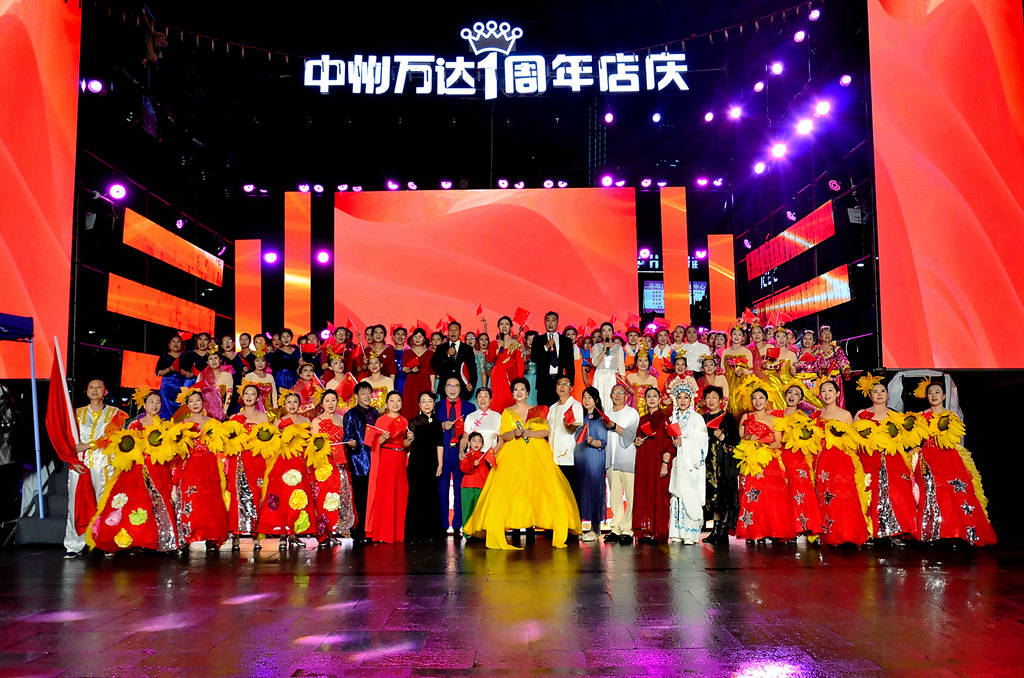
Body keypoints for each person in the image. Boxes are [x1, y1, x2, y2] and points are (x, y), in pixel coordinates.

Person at [462, 378, 582, 549]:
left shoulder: (537, 410)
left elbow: (545, 432)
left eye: (522, 389)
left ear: (527, 393)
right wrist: (514, 433)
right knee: (512, 491)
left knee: (539, 489)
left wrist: (529, 433)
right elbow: (503, 436)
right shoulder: (507, 412)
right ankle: (515, 524)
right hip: (512, 454)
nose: (519, 392)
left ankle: (537, 524)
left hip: (536, 454)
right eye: (516, 389)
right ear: (512, 394)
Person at [915, 380, 996, 545]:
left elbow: (957, 438)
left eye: (937, 392)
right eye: (930, 393)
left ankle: (958, 532)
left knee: (956, 491)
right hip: (928, 457)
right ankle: (934, 532)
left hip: (949, 456)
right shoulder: (920, 416)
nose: (934, 396)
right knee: (931, 491)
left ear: (944, 396)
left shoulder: (952, 416)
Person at [64, 379, 127, 558]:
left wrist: (88, 445)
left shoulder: (116, 413)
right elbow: (68, 439)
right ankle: (74, 545)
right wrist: (71, 459)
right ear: (86, 391)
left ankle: (106, 542)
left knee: (105, 504)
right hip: (80, 465)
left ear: (105, 391)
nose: (94, 390)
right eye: (91, 387)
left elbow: (112, 437)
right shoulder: (76, 413)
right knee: (76, 505)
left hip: (105, 465)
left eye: (99, 387)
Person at [854, 379, 920, 542]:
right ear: (870, 395)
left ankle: (896, 531)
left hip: (892, 458)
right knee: (870, 492)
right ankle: (870, 531)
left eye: (882, 391)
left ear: (888, 394)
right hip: (868, 459)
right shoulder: (861, 414)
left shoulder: (895, 415)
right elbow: (853, 439)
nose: (879, 394)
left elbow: (904, 439)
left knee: (897, 492)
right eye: (875, 391)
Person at [733, 388, 797, 543]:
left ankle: (771, 530)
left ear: (767, 401)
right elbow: (740, 437)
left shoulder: (774, 419)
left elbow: (777, 443)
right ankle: (754, 532)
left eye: (761, 398)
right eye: (754, 398)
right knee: (752, 495)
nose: (758, 401)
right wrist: (749, 440)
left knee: (770, 497)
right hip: (751, 461)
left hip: (769, 462)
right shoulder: (746, 417)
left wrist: (760, 444)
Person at [814, 380, 870, 546]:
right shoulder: (817, 414)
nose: (827, 394)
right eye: (824, 391)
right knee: (826, 496)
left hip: (841, 460)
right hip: (822, 459)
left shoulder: (845, 415)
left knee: (843, 496)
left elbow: (851, 440)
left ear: (837, 393)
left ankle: (848, 533)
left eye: (830, 390)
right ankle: (831, 534)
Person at [177, 389, 230, 551]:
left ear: (203, 402)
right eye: (191, 401)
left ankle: (212, 536)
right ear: (187, 405)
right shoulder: (182, 425)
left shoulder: (213, 423)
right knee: (192, 498)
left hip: (209, 464)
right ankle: (189, 535)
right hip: (191, 465)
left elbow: (221, 445)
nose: (195, 404)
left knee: (210, 500)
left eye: (197, 400)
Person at [775, 385, 824, 540]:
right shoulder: (776, 414)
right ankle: (785, 528)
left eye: (796, 394)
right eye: (790, 392)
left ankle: (802, 527)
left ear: (800, 399)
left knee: (800, 491)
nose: (792, 396)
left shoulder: (803, 417)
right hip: (779, 455)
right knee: (782, 491)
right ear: (785, 395)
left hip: (797, 457)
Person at [225, 385, 269, 551]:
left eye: (253, 394)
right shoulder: (234, 417)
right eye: (247, 394)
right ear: (242, 397)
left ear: (257, 398)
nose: (249, 396)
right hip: (238, 460)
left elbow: (267, 441)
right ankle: (236, 534)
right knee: (237, 494)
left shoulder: (263, 418)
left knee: (256, 494)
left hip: (256, 460)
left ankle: (257, 535)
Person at [311, 390, 357, 545]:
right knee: (324, 497)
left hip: (340, 463)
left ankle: (334, 530)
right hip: (324, 465)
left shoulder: (342, 419)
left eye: (333, 400)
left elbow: (347, 439)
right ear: (322, 404)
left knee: (340, 496)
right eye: (327, 400)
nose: (330, 404)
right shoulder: (316, 421)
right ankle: (323, 533)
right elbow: (314, 445)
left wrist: (350, 443)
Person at [667, 379, 710, 545]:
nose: (683, 400)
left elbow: (702, 442)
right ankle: (677, 532)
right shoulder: (672, 418)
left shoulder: (697, 418)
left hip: (692, 464)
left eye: (686, 397)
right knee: (677, 495)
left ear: (691, 399)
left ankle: (690, 534)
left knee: (690, 495)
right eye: (679, 397)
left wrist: (683, 442)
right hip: (678, 463)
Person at [364, 391, 409, 543]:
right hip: (386, 459)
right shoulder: (381, 420)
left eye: (398, 400)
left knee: (400, 495)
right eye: (392, 401)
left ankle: (398, 534)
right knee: (386, 496)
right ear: (387, 404)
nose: (395, 403)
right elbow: (373, 443)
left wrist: (410, 440)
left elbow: (405, 444)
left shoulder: (404, 420)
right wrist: (381, 440)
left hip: (400, 459)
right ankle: (384, 533)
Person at [632, 386, 675, 544]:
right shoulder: (642, 419)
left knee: (659, 496)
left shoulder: (665, 419)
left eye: (654, 396)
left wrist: (665, 463)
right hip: (644, 462)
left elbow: (669, 444)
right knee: (644, 494)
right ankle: (646, 531)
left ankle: (659, 532)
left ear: (659, 400)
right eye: (648, 396)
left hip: (658, 462)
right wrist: (637, 440)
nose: (651, 399)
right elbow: (638, 438)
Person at [700, 386, 740, 545]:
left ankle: (723, 531)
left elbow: (736, 441)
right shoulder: (702, 419)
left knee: (725, 496)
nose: (711, 401)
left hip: (725, 465)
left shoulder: (728, 418)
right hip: (708, 465)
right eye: (708, 397)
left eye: (714, 397)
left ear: (721, 400)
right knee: (713, 497)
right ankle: (715, 530)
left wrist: (723, 437)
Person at [341, 382, 379, 544]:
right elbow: (346, 437)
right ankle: (361, 530)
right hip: (359, 461)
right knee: (361, 498)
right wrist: (350, 442)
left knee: (374, 498)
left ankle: (373, 529)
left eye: (369, 393)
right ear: (356, 396)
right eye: (363, 393)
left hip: (376, 460)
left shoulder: (375, 412)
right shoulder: (350, 414)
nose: (367, 396)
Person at [437, 377, 476, 535]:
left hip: (461, 453)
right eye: (449, 385)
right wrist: (441, 426)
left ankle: (459, 525)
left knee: (460, 490)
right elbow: (430, 428)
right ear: (444, 388)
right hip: (442, 453)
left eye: (456, 385)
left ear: (461, 388)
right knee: (442, 490)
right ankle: (442, 525)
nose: (453, 389)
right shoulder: (437, 406)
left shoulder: (470, 408)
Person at [406, 391, 445, 543]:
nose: (427, 404)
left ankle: (432, 533)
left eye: (429, 401)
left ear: (434, 404)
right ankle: (416, 533)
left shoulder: (437, 423)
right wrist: (409, 439)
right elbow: (406, 443)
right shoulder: (413, 422)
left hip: (432, 463)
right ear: (419, 405)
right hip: (416, 463)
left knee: (432, 496)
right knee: (416, 496)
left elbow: (440, 444)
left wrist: (440, 464)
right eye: (423, 401)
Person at [604, 383, 640, 545]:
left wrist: (613, 426)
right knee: (615, 496)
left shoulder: (632, 413)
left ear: (626, 396)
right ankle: (616, 528)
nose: (617, 395)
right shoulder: (606, 413)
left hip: (627, 458)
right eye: (614, 392)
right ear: (610, 396)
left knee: (631, 496)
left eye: (621, 392)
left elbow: (630, 435)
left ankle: (628, 529)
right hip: (610, 459)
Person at [574, 386, 609, 542]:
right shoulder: (579, 417)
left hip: (595, 459)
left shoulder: (601, 419)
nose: (586, 400)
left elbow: (603, 441)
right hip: (580, 459)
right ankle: (580, 527)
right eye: (584, 397)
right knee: (581, 492)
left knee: (595, 491)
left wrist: (593, 442)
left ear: (596, 400)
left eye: (589, 397)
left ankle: (596, 529)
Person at [529, 311, 576, 407]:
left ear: (557, 323)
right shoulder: (538, 340)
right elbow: (534, 358)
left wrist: (570, 383)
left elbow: (570, 365)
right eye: (548, 320)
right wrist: (546, 346)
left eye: (553, 320)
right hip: (543, 382)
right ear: (544, 323)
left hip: (560, 382)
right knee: (544, 411)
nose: (550, 323)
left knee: (560, 409)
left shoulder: (566, 341)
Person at [547, 377, 583, 494]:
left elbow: (575, 430)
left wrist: (568, 424)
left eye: (566, 384)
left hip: (568, 457)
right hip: (552, 457)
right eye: (559, 384)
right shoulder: (552, 408)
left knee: (568, 493)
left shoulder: (576, 406)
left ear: (571, 388)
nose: (562, 386)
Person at [485, 316, 524, 413]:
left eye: (507, 324)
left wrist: (520, 381)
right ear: (498, 327)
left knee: (510, 400)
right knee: (497, 401)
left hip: (511, 377)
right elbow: (489, 359)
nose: (504, 326)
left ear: (511, 327)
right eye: (501, 324)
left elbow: (520, 364)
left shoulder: (517, 344)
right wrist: (497, 350)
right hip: (497, 375)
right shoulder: (494, 344)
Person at [431, 321, 477, 401]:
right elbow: (434, 365)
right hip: (445, 388)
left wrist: (471, 384)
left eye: (455, 330)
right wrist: (447, 355)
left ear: (460, 332)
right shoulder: (441, 348)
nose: (453, 332)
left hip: (463, 388)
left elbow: (472, 369)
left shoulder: (467, 349)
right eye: (450, 330)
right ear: (447, 332)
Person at [459, 431, 496, 529]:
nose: (476, 443)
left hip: (481, 487)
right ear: (469, 442)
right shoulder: (466, 455)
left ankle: (477, 531)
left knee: (479, 511)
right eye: (474, 441)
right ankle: (467, 532)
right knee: (467, 510)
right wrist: (472, 464)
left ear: (482, 444)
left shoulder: (485, 457)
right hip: (468, 487)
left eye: (479, 441)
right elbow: (464, 469)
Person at [400, 328, 435, 420]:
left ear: (424, 339)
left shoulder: (430, 354)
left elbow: (432, 372)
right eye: (415, 336)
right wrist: (410, 370)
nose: (417, 339)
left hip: (425, 382)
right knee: (410, 405)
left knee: (425, 405)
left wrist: (432, 387)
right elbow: (403, 369)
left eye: (420, 337)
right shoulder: (408, 352)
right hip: (411, 382)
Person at [591, 322, 625, 408]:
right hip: (600, 377)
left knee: (611, 402)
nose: (606, 333)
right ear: (601, 334)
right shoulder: (596, 346)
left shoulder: (618, 347)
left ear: (613, 333)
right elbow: (594, 363)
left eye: (609, 330)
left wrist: (623, 384)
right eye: (604, 330)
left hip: (612, 377)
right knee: (599, 401)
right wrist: (604, 351)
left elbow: (621, 367)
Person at [155, 335, 188, 420]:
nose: (176, 344)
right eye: (173, 341)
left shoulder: (186, 356)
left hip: (182, 386)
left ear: (181, 345)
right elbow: (158, 373)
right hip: (167, 387)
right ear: (169, 345)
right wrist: (170, 369)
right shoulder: (164, 356)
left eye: (178, 342)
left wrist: (184, 372)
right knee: (166, 409)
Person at [522, 331, 539, 406]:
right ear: (525, 340)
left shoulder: (541, 352)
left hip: (537, 379)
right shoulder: (522, 353)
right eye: (529, 339)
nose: (531, 341)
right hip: (526, 378)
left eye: (534, 339)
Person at [391, 327, 408, 395]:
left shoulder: (409, 353)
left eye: (403, 334)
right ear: (393, 337)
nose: (400, 336)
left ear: (406, 337)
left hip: (405, 384)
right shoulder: (389, 352)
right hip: (391, 382)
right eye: (398, 334)